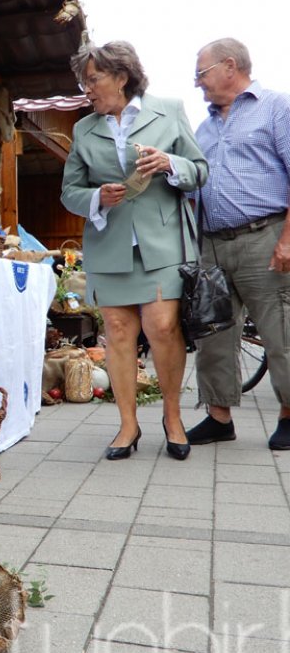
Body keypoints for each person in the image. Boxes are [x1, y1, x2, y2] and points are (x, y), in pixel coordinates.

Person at [61, 41, 208, 461]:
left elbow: (200, 171)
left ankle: (173, 417)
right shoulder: (83, 129)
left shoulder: (170, 110)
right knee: (119, 334)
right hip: (109, 246)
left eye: (93, 79)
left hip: (162, 243)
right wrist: (96, 199)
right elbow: (69, 192)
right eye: (83, 81)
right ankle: (127, 425)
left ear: (122, 76)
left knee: (162, 327)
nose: (87, 89)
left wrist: (169, 164)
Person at [185, 38, 290, 451]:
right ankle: (218, 417)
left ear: (230, 66)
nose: (197, 84)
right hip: (211, 242)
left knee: (279, 332)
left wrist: (287, 240)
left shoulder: (275, 107)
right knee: (212, 333)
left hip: (263, 237)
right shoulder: (204, 126)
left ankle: (288, 414)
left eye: (201, 73)